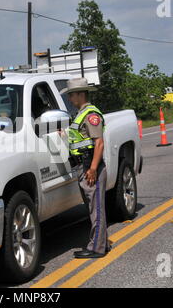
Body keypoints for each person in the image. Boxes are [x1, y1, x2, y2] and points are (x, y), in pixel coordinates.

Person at [62, 78, 110, 258]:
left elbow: (99, 143)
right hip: (84, 165)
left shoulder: (91, 114)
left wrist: (93, 169)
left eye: (72, 95)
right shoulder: (80, 113)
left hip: (90, 166)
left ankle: (96, 248)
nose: (70, 98)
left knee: (96, 208)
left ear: (81, 94)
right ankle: (102, 243)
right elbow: (81, 138)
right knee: (94, 207)